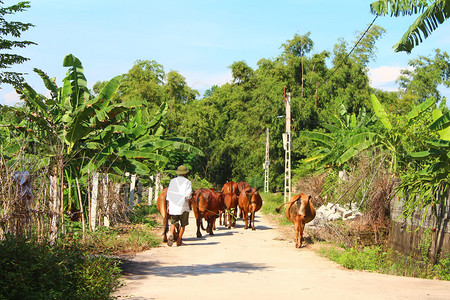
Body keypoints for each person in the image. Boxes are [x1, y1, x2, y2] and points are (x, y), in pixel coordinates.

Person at [166, 165, 192, 246]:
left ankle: (171, 234)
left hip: (173, 206)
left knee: (173, 223)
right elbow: (188, 195)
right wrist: (190, 196)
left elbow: (169, 194)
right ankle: (179, 240)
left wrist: (168, 206)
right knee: (183, 224)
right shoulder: (187, 182)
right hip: (183, 206)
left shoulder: (172, 181)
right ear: (185, 174)